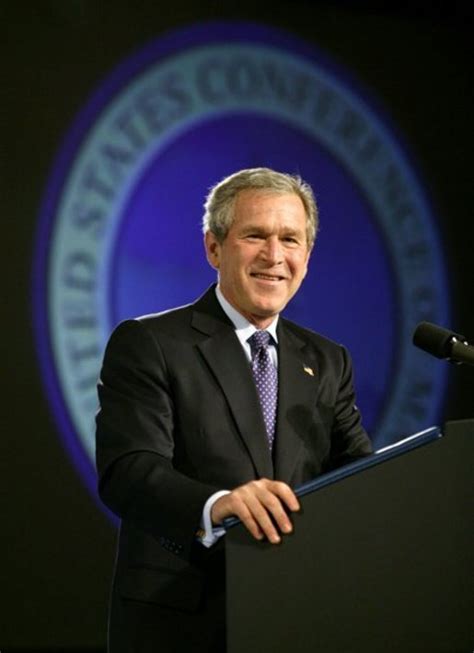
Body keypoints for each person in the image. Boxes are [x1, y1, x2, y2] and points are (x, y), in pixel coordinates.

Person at [95, 167, 372, 652]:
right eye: (255, 235)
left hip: (297, 615)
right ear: (214, 248)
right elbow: (129, 471)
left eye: (290, 239)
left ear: (307, 257)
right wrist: (214, 505)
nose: (274, 256)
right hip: (184, 620)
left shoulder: (327, 360)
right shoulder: (151, 343)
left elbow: (362, 480)